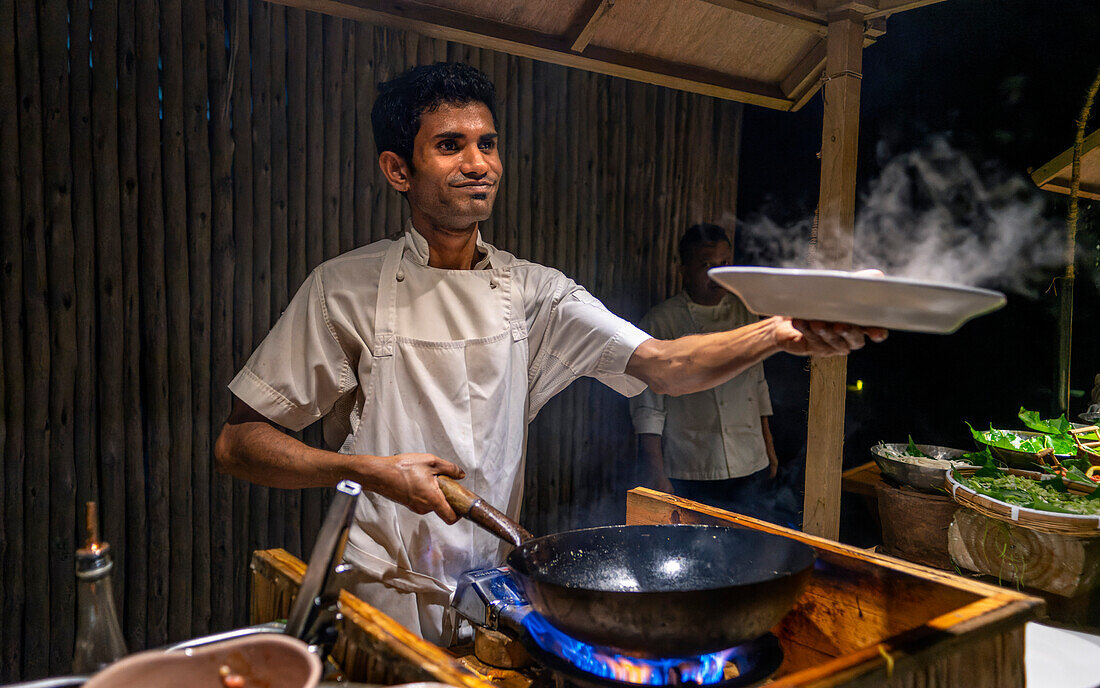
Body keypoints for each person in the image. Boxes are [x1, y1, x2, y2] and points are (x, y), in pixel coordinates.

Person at [214, 62, 885, 645]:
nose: (478, 163)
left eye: (487, 143)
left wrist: (782, 332)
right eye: (450, 146)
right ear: (398, 169)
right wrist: (370, 470)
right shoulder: (344, 288)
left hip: (492, 590)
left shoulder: (534, 292)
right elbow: (239, 442)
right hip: (378, 594)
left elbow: (667, 364)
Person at [630, 224, 786, 522]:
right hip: (691, 468)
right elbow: (648, 410)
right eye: (706, 265)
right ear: (683, 269)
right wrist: (657, 475)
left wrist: (769, 447)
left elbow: (758, 384)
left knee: (746, 550)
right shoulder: (661, 322)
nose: (717, 273)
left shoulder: (746, 313)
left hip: (750, 462)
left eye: (724, 263)